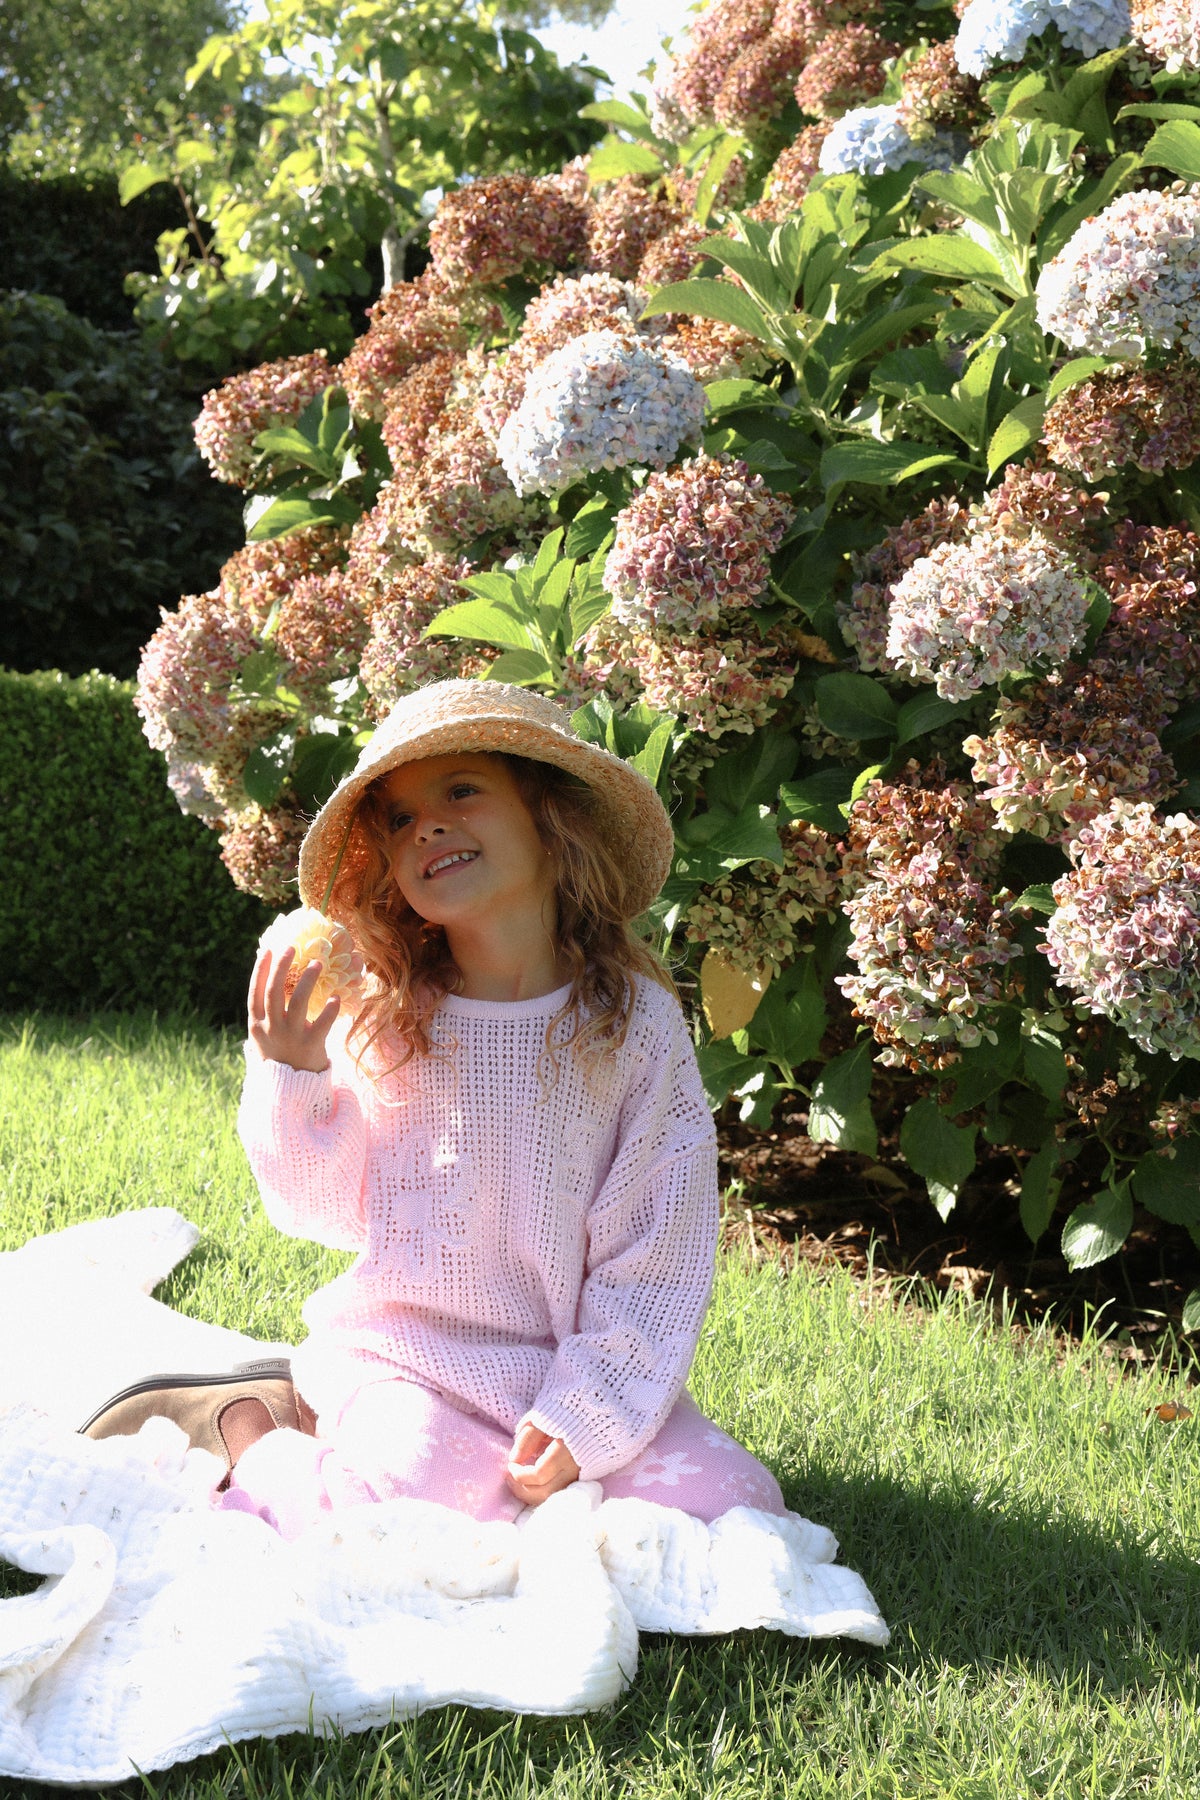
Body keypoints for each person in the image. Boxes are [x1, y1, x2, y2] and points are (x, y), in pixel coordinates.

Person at [101, 680, 788, 1538]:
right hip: (407, 1359)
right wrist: (292, 1076)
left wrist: (589, 1413)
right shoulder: (386, 1014)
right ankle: (255, 1432)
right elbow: (318, 1212)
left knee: (731, 1503)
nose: (425, 826)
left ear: (550, 819)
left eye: (461, 790)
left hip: (566, 1363)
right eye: (398, 818)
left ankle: (467, 1453)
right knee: (410, 1502)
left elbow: (657, 1249)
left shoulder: (634, 1026)